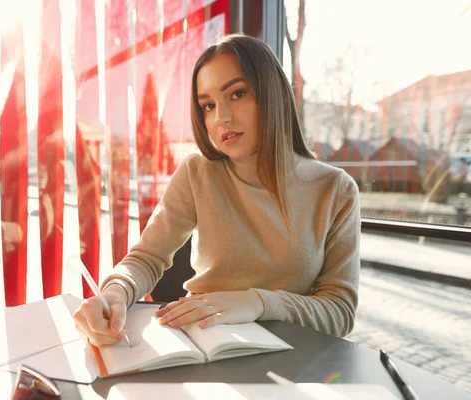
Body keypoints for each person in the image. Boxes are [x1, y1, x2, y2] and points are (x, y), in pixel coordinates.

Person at [73, 33, 360, 346]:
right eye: (207, 105)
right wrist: (115, 292)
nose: (221, 117)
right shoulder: (198, 173)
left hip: (292, 355)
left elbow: (339, 312)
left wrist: (257, 303)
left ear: (274, 95)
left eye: (237, 94)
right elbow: (146, 258)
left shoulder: (335, 190)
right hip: (204, 344)